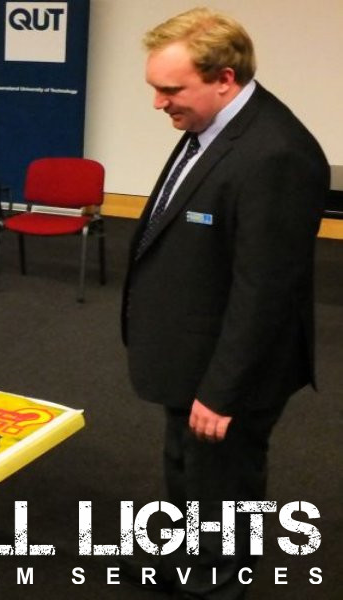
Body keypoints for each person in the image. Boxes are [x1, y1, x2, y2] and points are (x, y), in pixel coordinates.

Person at [121, 8, 328, 598]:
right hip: (189, 356)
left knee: (224, 488)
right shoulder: (209, 126)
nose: (158, 103)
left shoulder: (276, 155)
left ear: (225, 78)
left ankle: (217, 586)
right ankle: (185, 563)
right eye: (155, 88)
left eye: (170, 89)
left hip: (230, 371)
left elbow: (266, 290)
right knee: (187, 470)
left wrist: (222, 391)